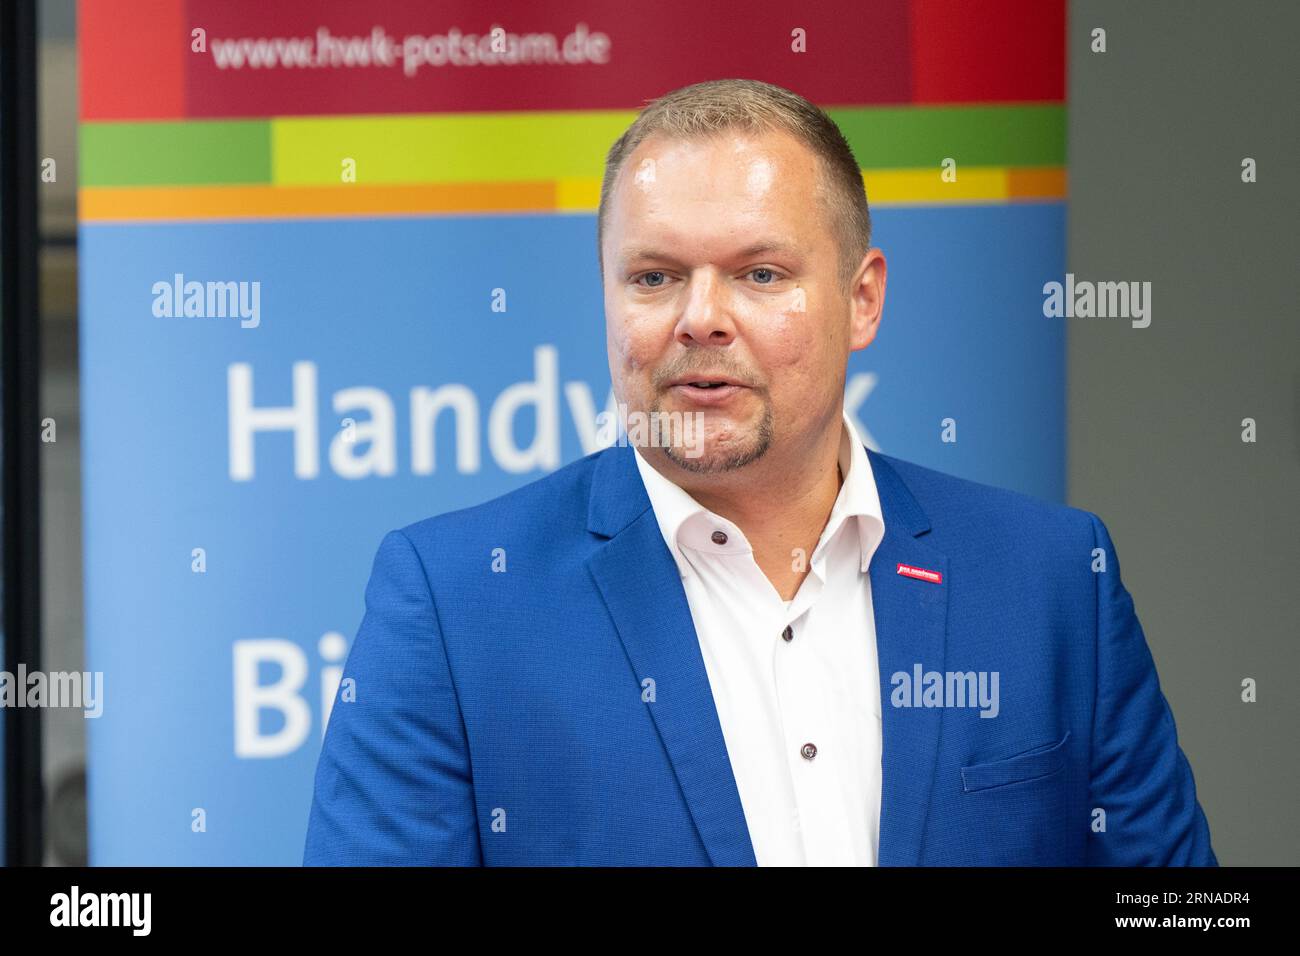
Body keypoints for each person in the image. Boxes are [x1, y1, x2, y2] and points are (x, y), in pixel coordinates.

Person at [303, 78, 1216, 866]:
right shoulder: (455, 605)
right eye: (654, 278)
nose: (700, 318)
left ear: (863, 300)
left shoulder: (1052, 579)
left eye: (761, 274)